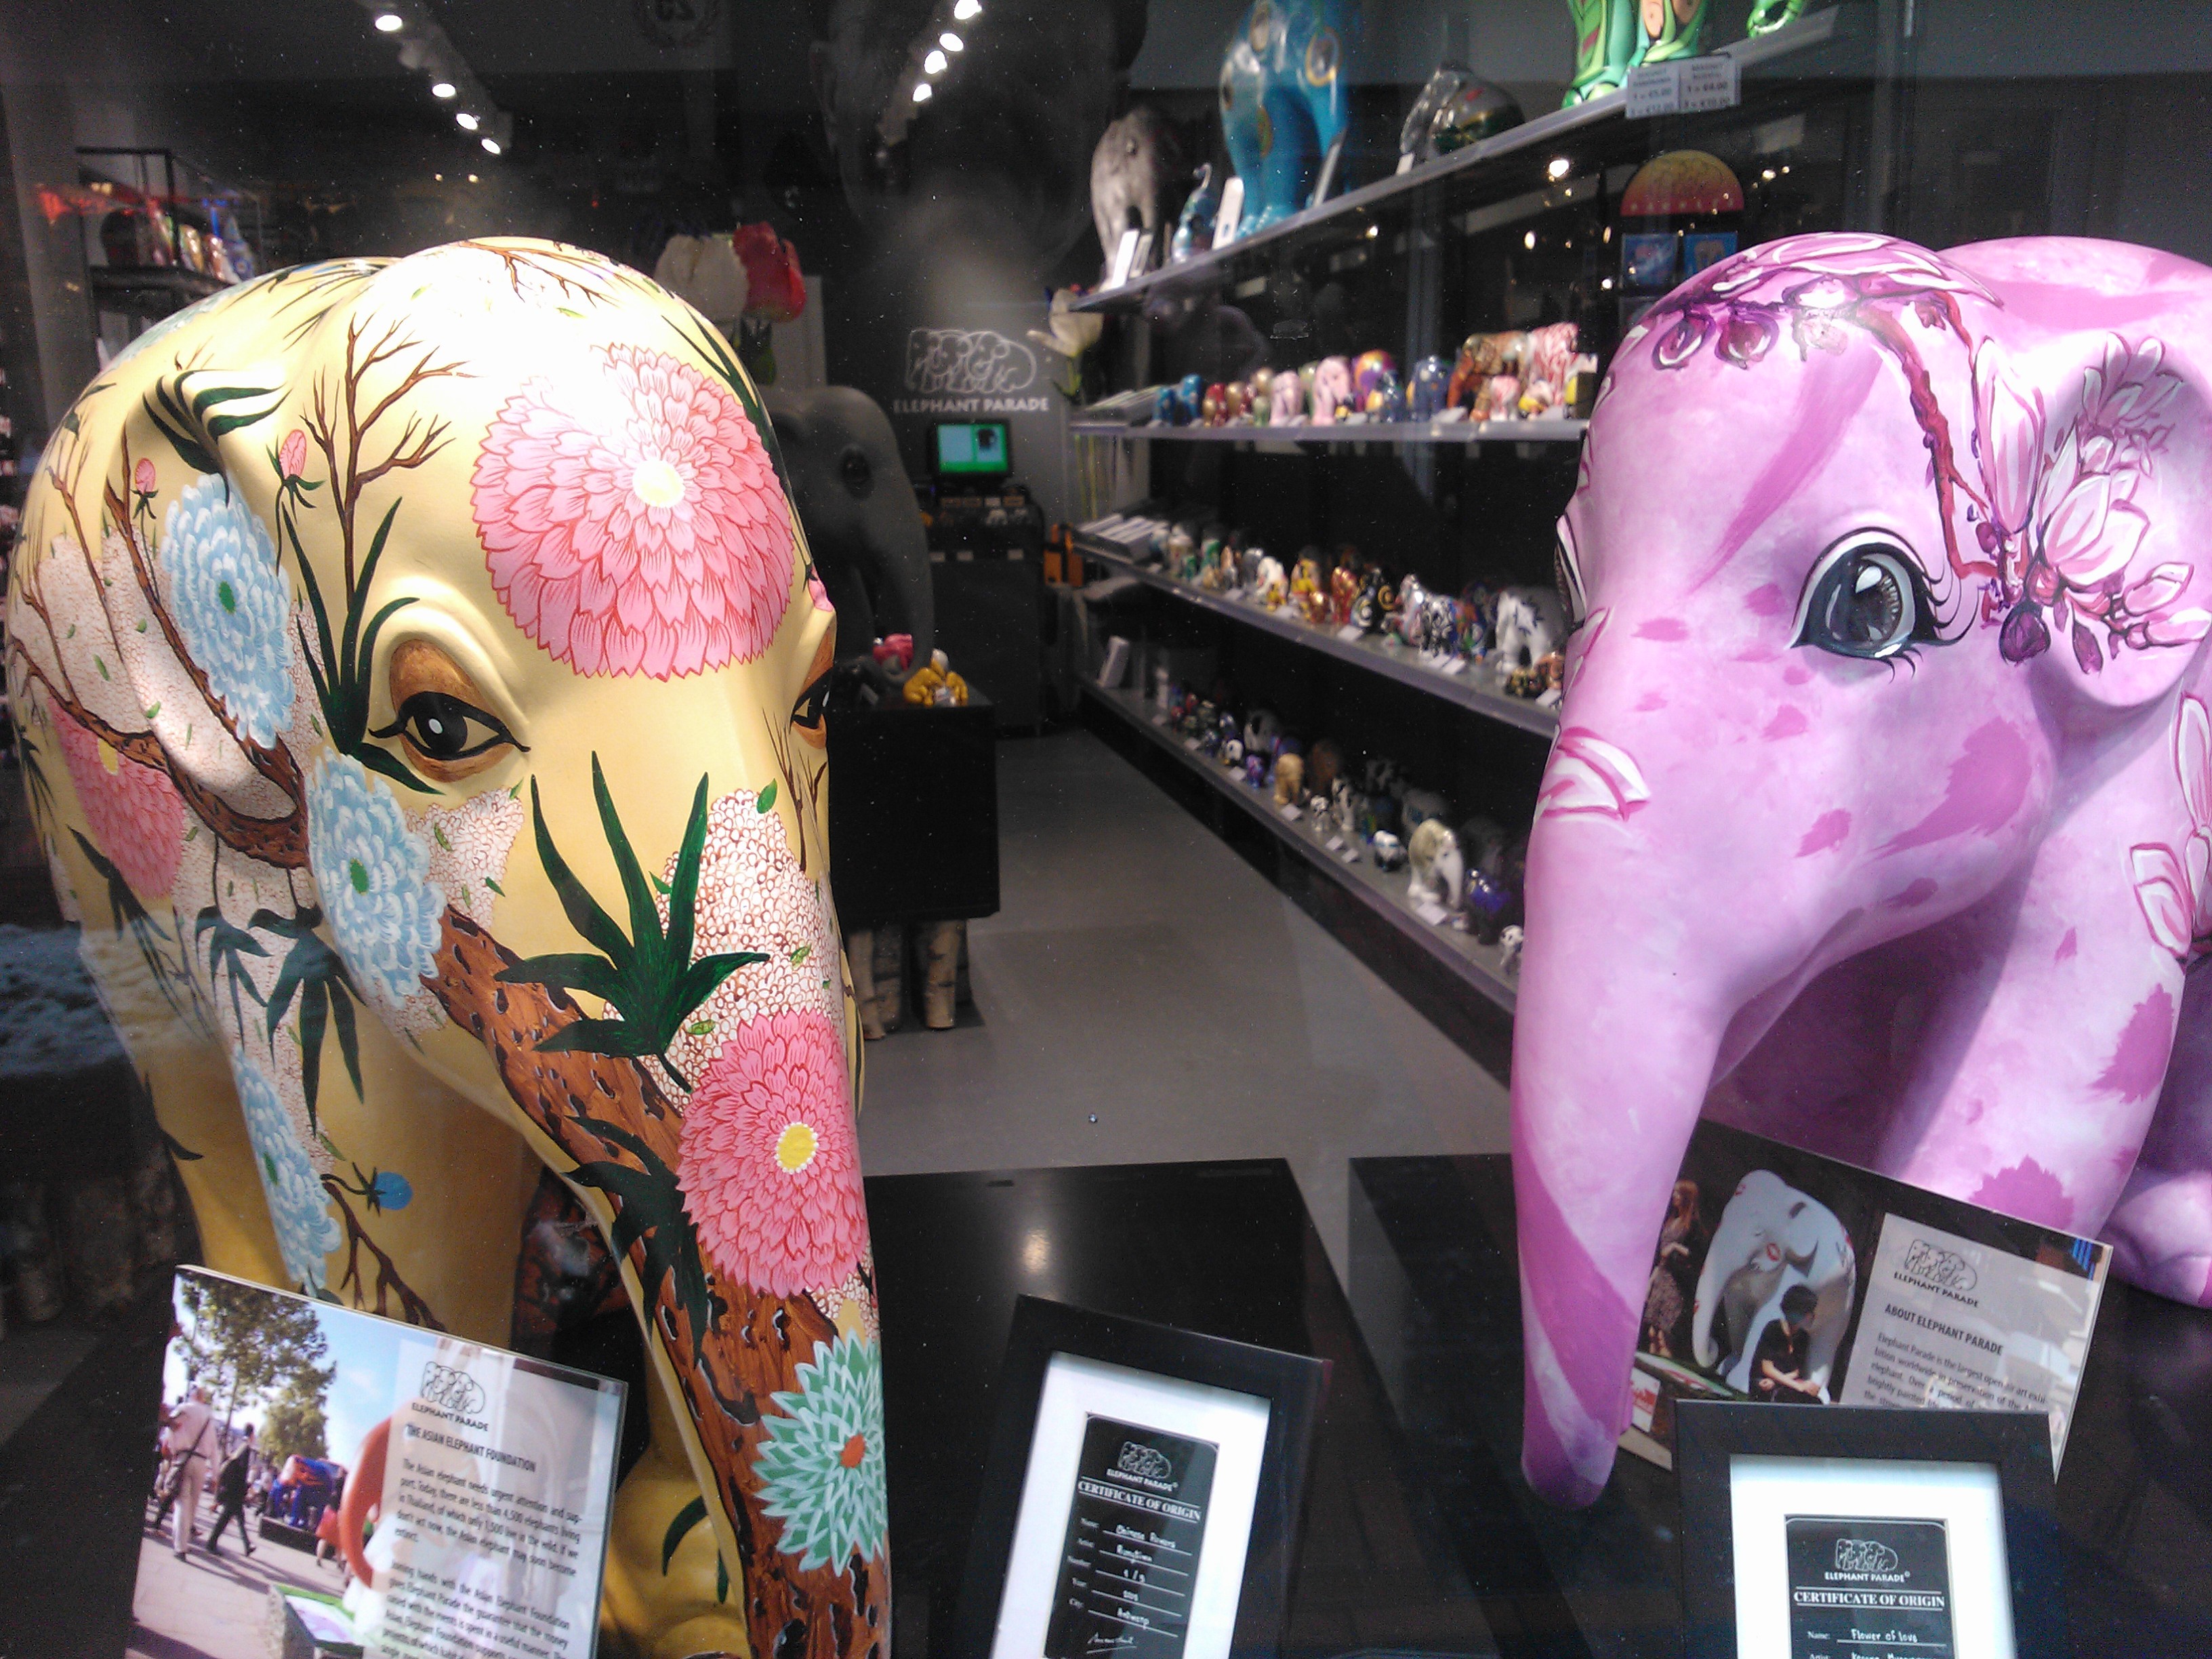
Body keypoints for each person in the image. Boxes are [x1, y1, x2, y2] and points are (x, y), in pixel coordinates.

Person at [162, 1385, 218, 1558]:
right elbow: (214, 1448)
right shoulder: (209, 1417)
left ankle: (180, 1547)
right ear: (202, 1398)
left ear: (192, 1396)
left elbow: (170, 1431)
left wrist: (173, 1451)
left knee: (181, 1502)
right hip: (202, 1463)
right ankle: (184, 1541)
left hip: (184, 1458)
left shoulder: (184, 1409)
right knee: (193, 1504)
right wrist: (215, 1475)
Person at [1749, 1284, 1826, 1404]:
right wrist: (1798, 1386)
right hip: (1764, 1383)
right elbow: (1767, 1368)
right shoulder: (1773, 1329)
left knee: (1814, 1402)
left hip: (1781, 1383)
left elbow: (1797, 1371)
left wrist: (1779, 1382)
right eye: (1809, 1312)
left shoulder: (1803, 1337)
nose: (1812, 1316)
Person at [205, 1423, 257, 1557]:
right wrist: (244, 1490)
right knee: (226, 1518)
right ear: (252, 1435)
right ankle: (211, 1544)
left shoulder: (240, 1446)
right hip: (235, 1491)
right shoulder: (246, 1449)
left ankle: (247, 1545)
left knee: (238, 1518)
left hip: (233, 1490)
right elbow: (242, 1472)